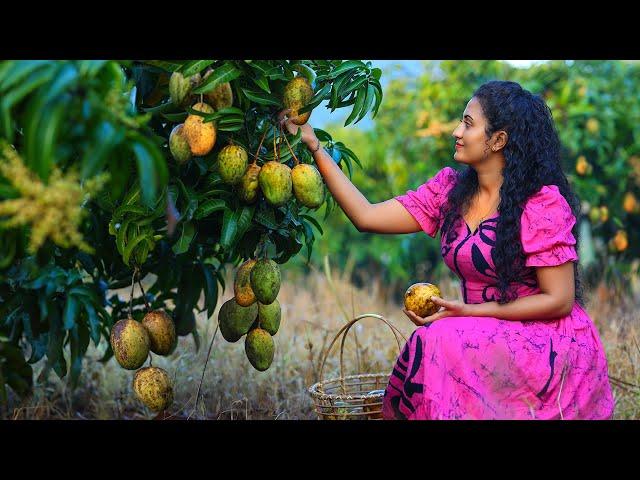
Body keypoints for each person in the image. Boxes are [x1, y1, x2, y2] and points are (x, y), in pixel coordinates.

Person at [278, 80, 615, 420]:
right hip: (482, 336)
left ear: (498, 140)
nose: (456, 131)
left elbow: (559, 300)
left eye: (468, 124)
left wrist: (467, 313)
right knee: (437, 336)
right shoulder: (450, 191)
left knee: (436, 337)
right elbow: (366, 216)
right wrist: (314, 147)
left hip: (544, 345)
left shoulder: (541, 204)